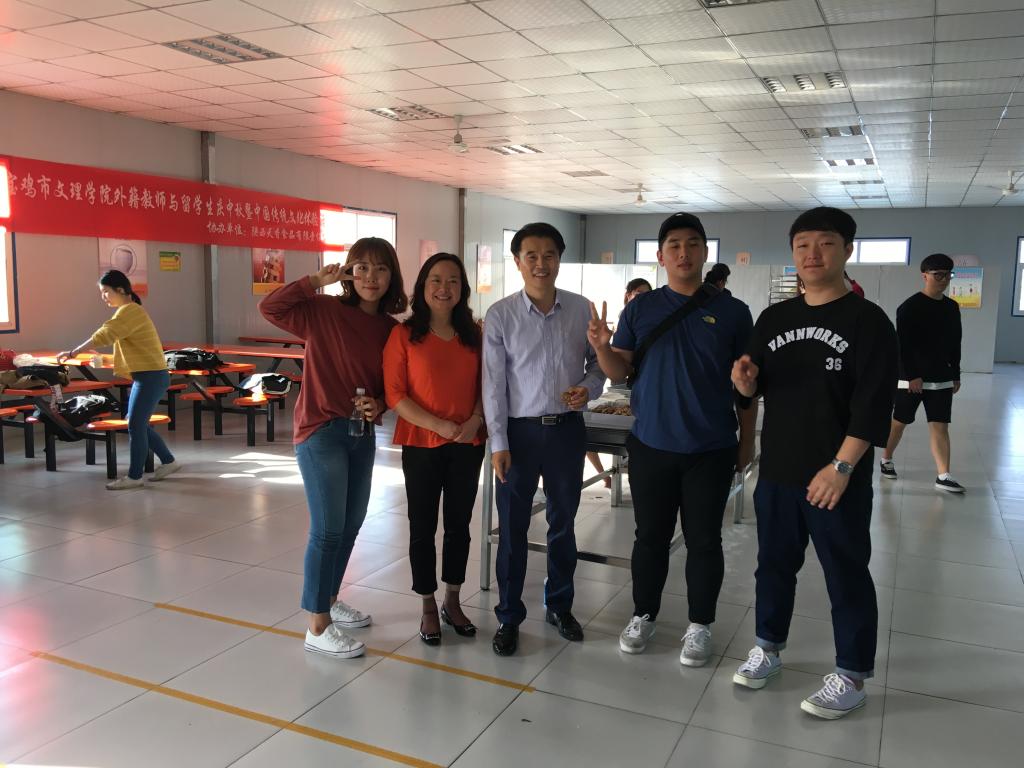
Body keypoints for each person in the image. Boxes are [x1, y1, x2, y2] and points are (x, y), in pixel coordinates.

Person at [731, 207, 897, 719]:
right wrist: (744, 385)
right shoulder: (774, 319)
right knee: (773, 566)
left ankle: (851, 674)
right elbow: (755, 385)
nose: (812, 254)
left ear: (847, 250)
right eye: (802, 245)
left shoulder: (869, 322)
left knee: (845, 572)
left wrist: (841, 468)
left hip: (836, 477)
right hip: (779, 470)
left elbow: (873, 405)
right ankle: (768, 648)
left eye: (825, 243)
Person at [587, 212, 756, 666]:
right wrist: (602, 347)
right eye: (674, 245)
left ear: (705, 252)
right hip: (651, 444)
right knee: (650, 538)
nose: (684, 252)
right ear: (661, 257)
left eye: (693, 244)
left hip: (710, 448)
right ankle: (643, 614)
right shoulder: (641, 309)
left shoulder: (733, 312)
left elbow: (747, 385)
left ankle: (700, 625)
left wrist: (747, 441)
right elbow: (619, 372)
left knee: (704, 541)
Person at [260, 238, 406, 660]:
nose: (371, 278)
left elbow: (392, 385)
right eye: (362, 268)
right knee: (327, 528)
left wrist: (379, 403)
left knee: (351, 523)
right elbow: (270, 308)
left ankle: (329, 598)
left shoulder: (390, 329)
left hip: (361, 433)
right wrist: (313, 281)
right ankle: (317, 625)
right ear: (348, 272)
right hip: (320, 430)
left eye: (380, 269)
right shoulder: (322, 310)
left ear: (392, 276)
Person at [482, 222, 606, 656]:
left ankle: (560, 605)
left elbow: (598, 365)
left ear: (559, 259)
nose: (540, 263)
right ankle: (509, 616)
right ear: (517, 262)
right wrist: (499, 442)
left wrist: (587, 389)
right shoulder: (501, 315)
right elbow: (493, 385)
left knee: (563, 524)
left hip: (566, 431)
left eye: (549, 255)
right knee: (513, 529)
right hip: (518, 434)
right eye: (531, 256)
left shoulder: (580, 309)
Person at [383, 252, 485, 646]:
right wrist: (439, 425)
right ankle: (427, 603)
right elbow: (395, 395)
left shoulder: (474, 335)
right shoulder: (404, 335)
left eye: (453, 280)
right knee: (422, 526)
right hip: (421, 443)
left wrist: (476, 418)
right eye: (436, 280)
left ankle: (453, 600)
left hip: (467, 443)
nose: (445, 288)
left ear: (463, 288)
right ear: (423, 287)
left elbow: (488, 385)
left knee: (459, 525)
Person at [57, 270, 180, 491]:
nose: (103, 296)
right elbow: (131, 351)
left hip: (150, 377)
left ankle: (134, 476)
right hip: (148, 376)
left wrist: (74, 352)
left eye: (106, 291)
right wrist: (104, 359)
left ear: (121, 290)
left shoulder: (130, 311)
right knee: (137, 422)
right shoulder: (130, 312)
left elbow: (105, 334)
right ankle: (169, 461)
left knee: (135, 425)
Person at [880, 253, 963, 492]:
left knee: (940, 425)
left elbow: (955, 342)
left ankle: (943, 475)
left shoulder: (951, 307)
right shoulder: (909, 307)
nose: (944, 280)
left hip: (941, 377)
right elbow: (903, 345)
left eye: (948, 275)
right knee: (900, 422)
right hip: (911, 379)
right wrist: (911, 375)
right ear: (924, 276)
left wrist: (955, 373)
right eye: (938, 275)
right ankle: (886, 458)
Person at [585, 276, 653, 488]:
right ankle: (605, 475)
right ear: (628, 295)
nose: (642, 299)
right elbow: (617, 373)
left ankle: (614, 473)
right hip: (620, 380)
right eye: (638, 294)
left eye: (647, 294)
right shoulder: (627, 316)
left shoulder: (650, 316)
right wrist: (602, 347)